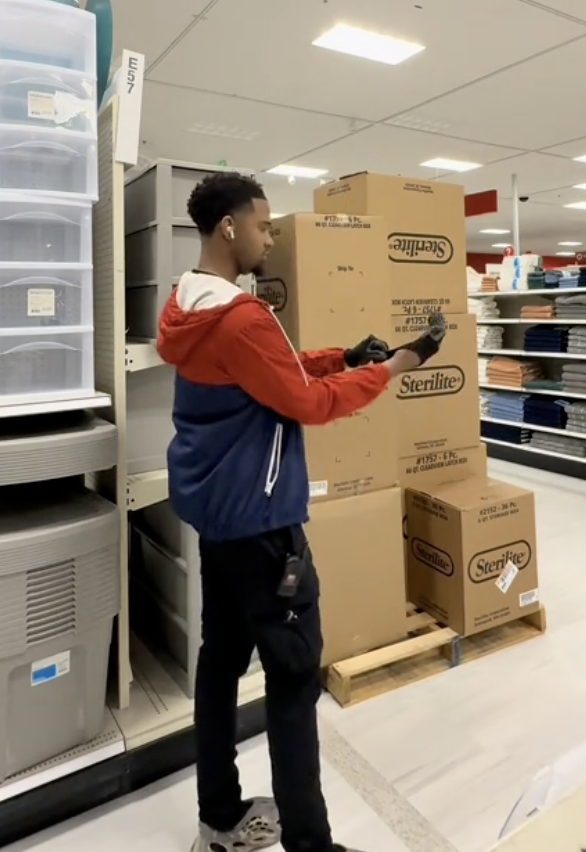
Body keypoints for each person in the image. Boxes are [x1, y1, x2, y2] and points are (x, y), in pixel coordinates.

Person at [157, 172, 445, 852]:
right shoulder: (240, 316)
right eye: (262, 225)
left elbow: (273, 370)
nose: (268, 237)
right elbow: (306, 403)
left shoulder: (189, 304)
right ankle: (310, 846)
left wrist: (344, 356)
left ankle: (220, 815)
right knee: (292, 677)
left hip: (218, 520)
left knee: (221, 661)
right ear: (228, 227)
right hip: (263, 528)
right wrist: (394, 368)